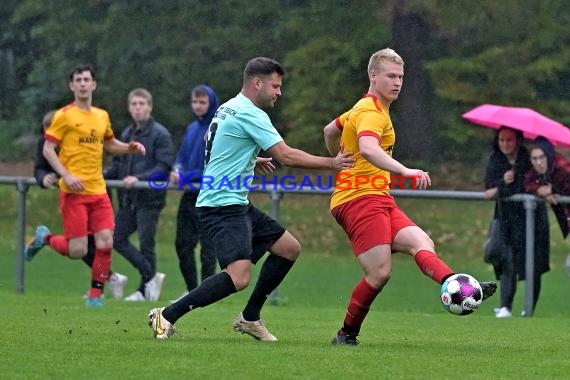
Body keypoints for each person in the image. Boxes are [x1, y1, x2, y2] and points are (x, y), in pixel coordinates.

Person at [147, 57, 354, 340]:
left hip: (235, 202)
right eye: (275, 86)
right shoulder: (251, 114)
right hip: (222, 205)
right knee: (239, 276)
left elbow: (221, 148)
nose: (279, 92)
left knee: (289, 248)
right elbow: (286, 155)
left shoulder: (227, 108)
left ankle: (249, 317)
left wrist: (250, 158)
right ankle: (167, 315)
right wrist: (333, 163)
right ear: (257, 83)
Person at [322, 48, 497, 345]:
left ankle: (457, 284)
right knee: (379, 274)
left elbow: (329, 130)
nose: (398, 82)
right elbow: (368, 148)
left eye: (401, 76)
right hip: (358, 199)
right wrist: (406, 170)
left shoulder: (362, 108)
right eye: (391, 76)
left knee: (422, 242)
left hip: (378, 197)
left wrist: (337, 157)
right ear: (373, 76)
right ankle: (346, 333)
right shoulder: (370, 112)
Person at [24, 65, 145, 307]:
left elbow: (110, 144)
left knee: (105, 242)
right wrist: (66, 175)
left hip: (98, 191)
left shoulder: (101, 115)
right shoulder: (64, 115)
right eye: (77, 80)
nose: (82, 83)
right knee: (77, 250)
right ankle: (45, 238)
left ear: (93, 84)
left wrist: (128, 147)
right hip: (73, 192)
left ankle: (95, 296)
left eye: (86, 79)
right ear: (72, 86)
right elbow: (48, 150)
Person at [31, 110, 129, 300]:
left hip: (96, 194)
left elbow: (105, 149)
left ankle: (97, 291)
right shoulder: (45, 144)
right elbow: (40, 168)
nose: (50, 136)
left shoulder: (80, 136)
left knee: (102, 243)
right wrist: (44, 178)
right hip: (72, 198)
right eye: (47, 132)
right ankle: (110, 279)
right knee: (81, 248)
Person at [104, 88, 174, 302]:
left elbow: (164, 166)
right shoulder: (126, 134)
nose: (138, 108)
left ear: (150, 107)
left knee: (146, 242)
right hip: (129, 199)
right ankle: (151, 277)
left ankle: (144, 291)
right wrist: (104, 174)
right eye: (134, 104)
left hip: (149, 198)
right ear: (129, 108)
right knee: (117, 238)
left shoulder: (160, 134)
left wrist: (140, 178)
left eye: (142, 104)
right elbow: (118, 163)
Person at [484, 127, 549, 318]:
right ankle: (505, 306)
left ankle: (528, 309)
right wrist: (503, 182)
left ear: (518, 140)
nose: (505, 144)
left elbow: (532, 185)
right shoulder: (495, 160)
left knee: (533, 263)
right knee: (506, 259)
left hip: (531, 218)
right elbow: (489, 189)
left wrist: (507, 186)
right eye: (502, 140)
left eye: (509, 140)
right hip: (506, 217)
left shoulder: (529, 160)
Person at [169, 85, 220, 302]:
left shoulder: (218, 128)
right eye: (194, 102)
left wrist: (187, 176)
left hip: (210, 196)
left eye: (202, 102)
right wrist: (177, 170)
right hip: (190, 195)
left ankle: (207, 294)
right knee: (182, 245)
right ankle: (192, 291)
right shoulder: (191, 128)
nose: (197, 106)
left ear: (211, 103)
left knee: (208, 250)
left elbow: (214, 165)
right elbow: (181, 155)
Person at [525, 137, 569, 277]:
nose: (538, 162)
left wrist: (555, 189)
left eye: (542, 157)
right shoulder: (539, 171)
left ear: (549, 156)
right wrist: (539, 189)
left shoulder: (562, 168)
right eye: (534, 158)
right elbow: (526, 182)